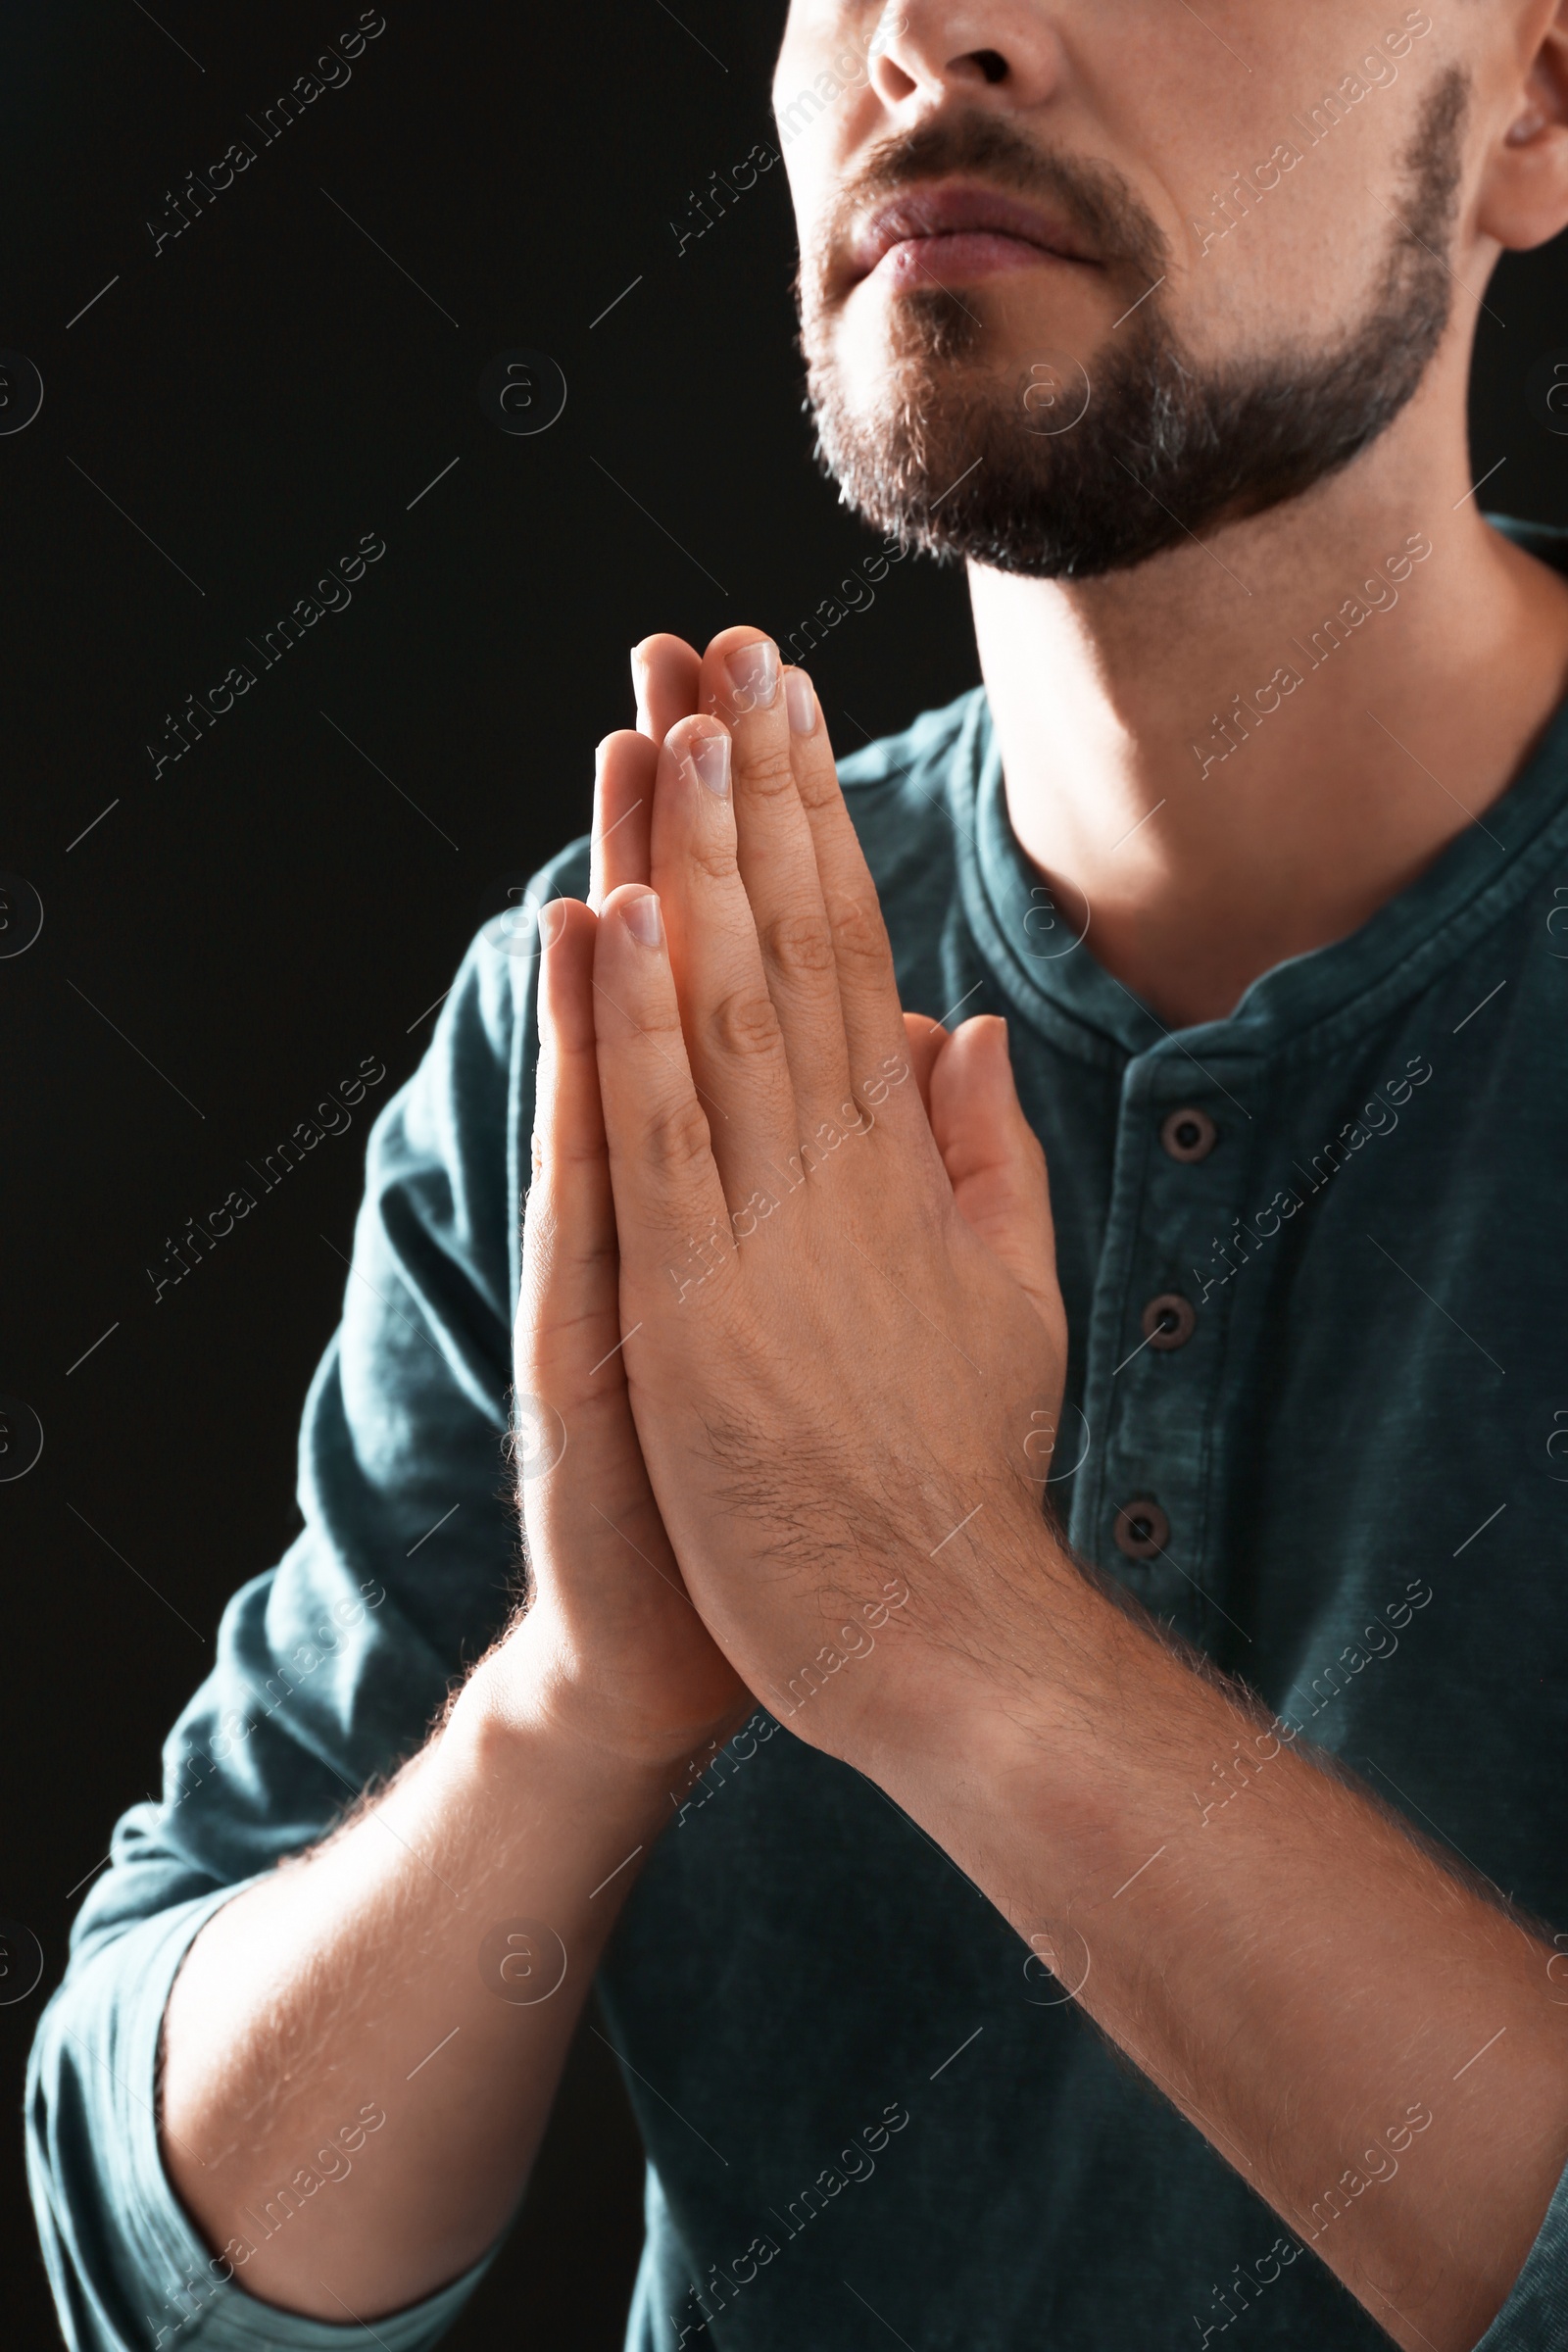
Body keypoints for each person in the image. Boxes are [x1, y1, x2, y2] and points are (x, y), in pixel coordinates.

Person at [28, 5, 1568, 2347]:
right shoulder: (636, 1002)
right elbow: (166, 2267)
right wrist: (579, 1701)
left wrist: (942, 1628)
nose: (940, 27)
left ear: (1536, 108)